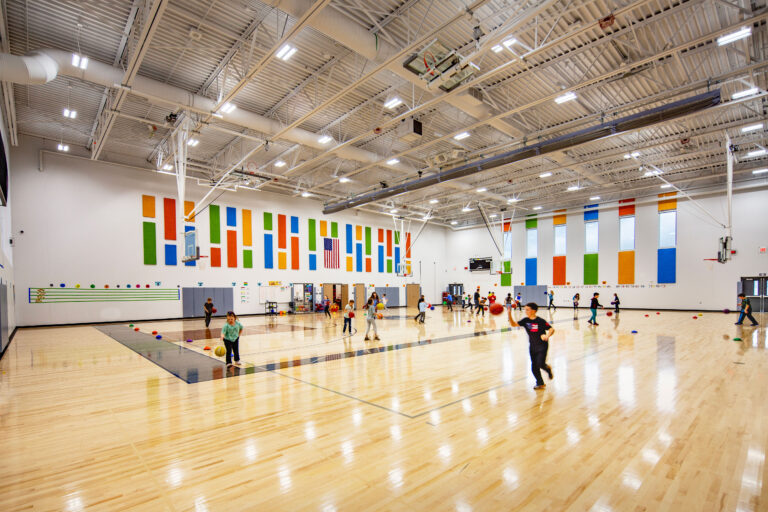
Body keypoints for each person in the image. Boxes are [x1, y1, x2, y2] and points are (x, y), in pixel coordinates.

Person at [507, 302, 555, 390]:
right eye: (525, 309)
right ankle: (540, 383)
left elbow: (551, 329)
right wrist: (509, 314)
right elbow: (513, 324)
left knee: (540, 363)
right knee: (534, 367)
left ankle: (548, 369)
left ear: (533, 311)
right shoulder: (525, 321)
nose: (525, 311)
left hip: (542, 346)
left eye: (527, 310)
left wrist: (547, 336)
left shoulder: (540, 321)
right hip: (532, 346)